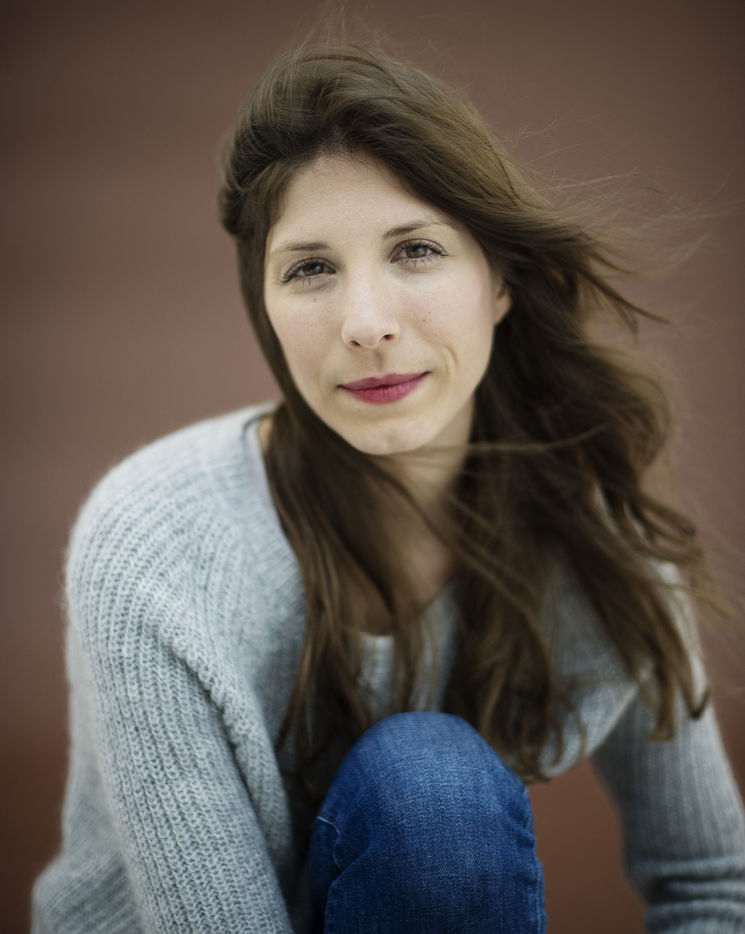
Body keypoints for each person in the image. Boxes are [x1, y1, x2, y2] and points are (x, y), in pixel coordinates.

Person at [33, 41, 745, 934]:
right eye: (310, 268)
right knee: (431, 785)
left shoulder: (594, 537)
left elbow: (714, 888)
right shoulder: (157, 542)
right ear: (264, 308)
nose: (365, 324)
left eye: (415, 250)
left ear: (498, 282)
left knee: (430, 791)